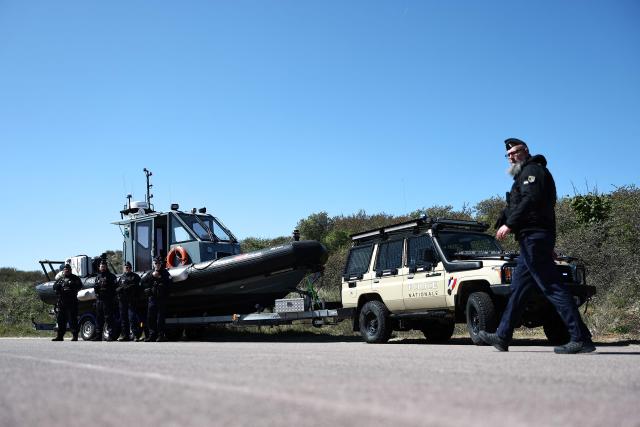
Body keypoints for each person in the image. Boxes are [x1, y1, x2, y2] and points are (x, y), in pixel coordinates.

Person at [479, 138, 595, 354]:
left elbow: (532, 200)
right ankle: (502, 336)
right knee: (518, 291)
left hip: (534, 238)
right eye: (508, 155)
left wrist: (509, 224)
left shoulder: (533, 171)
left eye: (515, 152)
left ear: (525, 151)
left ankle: (580, 338)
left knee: (552, 287)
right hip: (531, 240)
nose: (511, 156)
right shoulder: (524, 174)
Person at [143, 256, 172, 342]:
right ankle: (152, 335)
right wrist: (152, 276)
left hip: (161, 298)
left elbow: (170, 283)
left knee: (160, 318)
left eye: (159, 263)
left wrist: (160, 278)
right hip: (152, 298)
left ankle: (160, 335)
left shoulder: (165, 273)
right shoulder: (150, 273)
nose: (157, 265)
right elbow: (142, 282)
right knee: (150, 318)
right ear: (153, 264)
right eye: (156, 263)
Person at [51, 264, 83, 341]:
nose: (67, 271)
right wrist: (58, 287)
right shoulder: (60, 279)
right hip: (62, 303)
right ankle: (60, 336)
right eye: (65, 269)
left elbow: (79, 286)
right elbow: (54, 287)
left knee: (73, 320)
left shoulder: (75, 278)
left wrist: (71, 287)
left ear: (71, 270)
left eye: (68, 269)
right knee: (61, 320)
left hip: (72, 302)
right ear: (63, 271)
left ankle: (75, 336)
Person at [92, 258, 118, 341]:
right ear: (99, 267)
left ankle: (111, 336)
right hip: (99, 300)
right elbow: (95, 288)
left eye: (104, 266)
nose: (102, 267)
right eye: (101, 266)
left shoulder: (111, 276)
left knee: (109, 318)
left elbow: (115, 288)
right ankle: (98, 336)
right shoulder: (98, 277)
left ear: (106, 267)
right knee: (99, 319)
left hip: (108, 300)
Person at [116, 261, 142, 341]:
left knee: (132, 318)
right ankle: (125, 336)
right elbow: (117, 287)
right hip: (123, 301)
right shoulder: (122, 277)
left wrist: (127, 288)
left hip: (132, 301)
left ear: (131, 268)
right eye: (126, 267)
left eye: (128, 267)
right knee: (123, 319)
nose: (127, 269)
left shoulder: (135, 277)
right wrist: (119, 289)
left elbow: (136, 287)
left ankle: (135, 335)